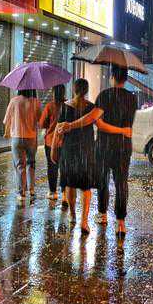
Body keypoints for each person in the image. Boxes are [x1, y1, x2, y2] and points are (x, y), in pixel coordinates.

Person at [58, 66, 137, 239]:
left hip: (104, 146)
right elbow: (125, 125)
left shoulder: (105, 95)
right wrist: (123, 131)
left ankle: (102, 214)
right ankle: (121, 223)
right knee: (121, 183)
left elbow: (93, 119)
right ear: (125, 79)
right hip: (124, 147)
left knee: (103, 180)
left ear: (112, 76)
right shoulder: (132, 98)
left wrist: (70, 125)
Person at [51, 79, 98, 234]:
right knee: (86, 187)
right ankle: (84, 222)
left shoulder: (66, 107)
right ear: (86, 90)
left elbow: (58, 129)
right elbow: (99, 126)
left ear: (74, 89)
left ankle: (72, 215)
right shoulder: (91, 107)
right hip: (86, 150)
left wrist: (53, 149)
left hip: (69, 149)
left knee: (70, 184)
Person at [3, 89, 41, 201]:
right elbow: (40, 120)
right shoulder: (36, 102)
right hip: (31, 138)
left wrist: (6, 132)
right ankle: (32, 189)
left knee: (20, 165)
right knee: (31, 163)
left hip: (17, 137)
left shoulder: (14, 101)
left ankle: (21, 193)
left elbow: (7, 119)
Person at [39, 84, 66, 202]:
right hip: (65, 142)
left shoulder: (50, 106)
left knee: (52, 167)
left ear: (54, 93)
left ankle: (53, 192)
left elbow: (42, 124)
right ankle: (65, 193)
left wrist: (49, 124)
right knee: (64, 167)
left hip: (51, 142)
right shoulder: (68, 106)